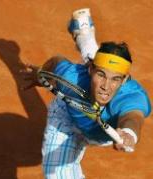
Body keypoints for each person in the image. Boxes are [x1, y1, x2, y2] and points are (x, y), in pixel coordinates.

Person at [20, 8, 151, 179]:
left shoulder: (132, 97)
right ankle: (86, 41)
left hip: (102, 134)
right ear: (90, 71)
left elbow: (133, 118)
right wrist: (42, 76)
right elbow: (55, 61)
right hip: (68, 121)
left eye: (116, 80)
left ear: (125, 80)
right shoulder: (71, 78)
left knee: (99, 63)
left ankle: (85, 38)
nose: (106, 87)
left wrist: (129, 133)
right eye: (100, 75)